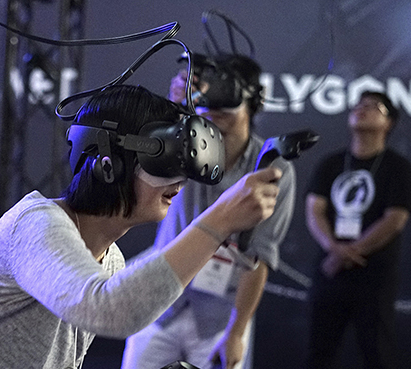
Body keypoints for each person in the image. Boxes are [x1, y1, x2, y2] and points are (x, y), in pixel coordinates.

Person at [0, 84, 283, 369]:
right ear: (107, 164)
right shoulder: (36, 225)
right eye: (163, 162)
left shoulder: (111, 261)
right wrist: (219, 220)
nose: (178, 181)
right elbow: (112, 310)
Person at [122, 54, 296, 369]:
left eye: (225, 93)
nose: (212, 106)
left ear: (251, 98)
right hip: (160, 303)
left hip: (220, 316)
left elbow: (259, 257)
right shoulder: (182, 140)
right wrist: (175, 106)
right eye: (207, 93)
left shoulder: (272, 165)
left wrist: (236, 332)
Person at [304, 91, 411, 368]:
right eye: (358, 105)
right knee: (319, 354)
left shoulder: (398, 167)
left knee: (376, 353)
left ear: (388, 122)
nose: (361, 110)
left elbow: (395, 219)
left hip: (373, 276)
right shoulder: (331, 163)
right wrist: (333, 248)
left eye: (372, 107)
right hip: (330, 273)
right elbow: (314, 210)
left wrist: (350, 252)